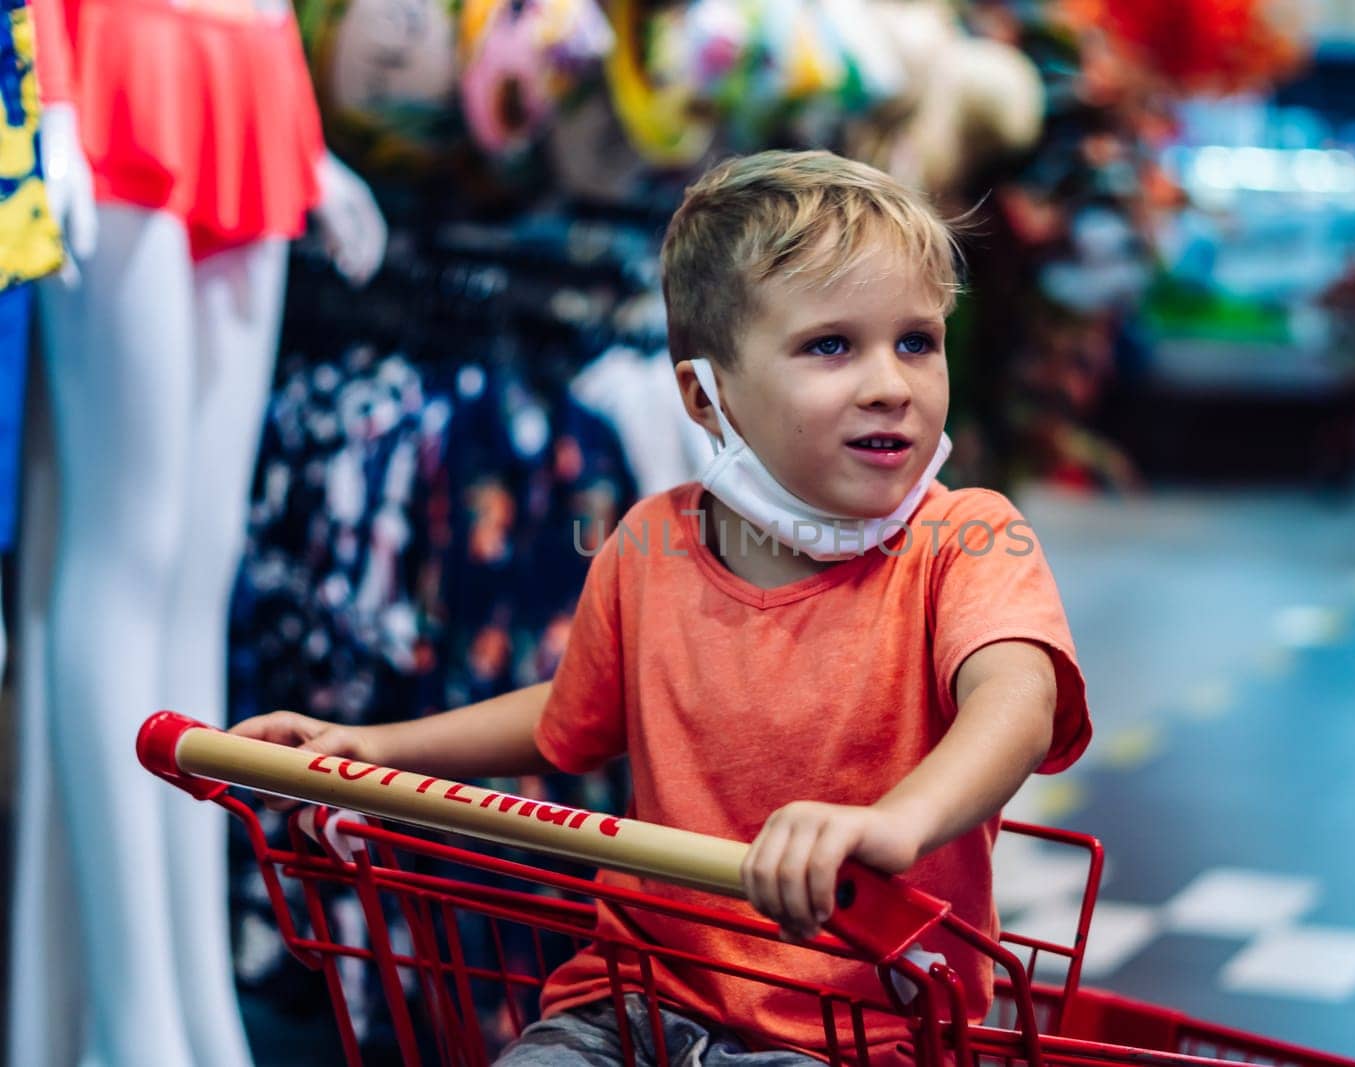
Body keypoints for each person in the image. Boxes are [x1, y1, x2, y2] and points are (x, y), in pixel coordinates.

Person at [234, 149, 1091, 1064]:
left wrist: (898, 822)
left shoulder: (967, 538)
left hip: (862, 1032)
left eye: (917, 340)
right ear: (704, 394)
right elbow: (575, 710)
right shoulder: (649, 543)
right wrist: (377, 748)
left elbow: (1016, 701)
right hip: (628, 1000)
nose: (891, 382)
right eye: (830, 345)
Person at [7, 1, 386, 1065]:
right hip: (114, 53)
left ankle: (190, 992)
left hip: (254, 67)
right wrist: (56, 101)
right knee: (122, 557)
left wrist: (304, 137)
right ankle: (131, 1021)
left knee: (197, 566)